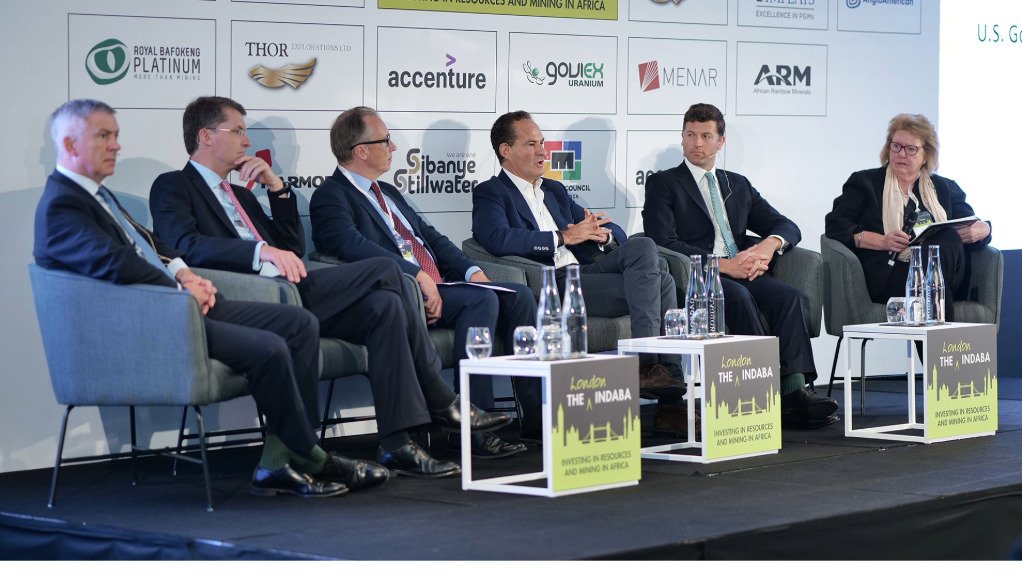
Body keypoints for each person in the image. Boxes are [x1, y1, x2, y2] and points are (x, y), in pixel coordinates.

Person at [34, 98, 393, 498]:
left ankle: (288, 458)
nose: (116, 145)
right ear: (68, 144)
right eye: (104, 136)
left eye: (115, 136)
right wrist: (181, 284)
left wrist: (184, 273)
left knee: (301, 321)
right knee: (279, 343)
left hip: (195, 300)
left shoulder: (99, 196)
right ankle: (307, 456)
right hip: (154, 320)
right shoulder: (66, 203)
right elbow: (114, 262)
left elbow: (154, 247)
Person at [149, 96, 510, 478]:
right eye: (237, 131)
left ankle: (397, 443)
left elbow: (292, 249)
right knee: (387, 272)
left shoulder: (239, 194)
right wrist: (258, 252)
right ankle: (440, 397)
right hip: (252, 295)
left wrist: (276, 189)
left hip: (295, 286)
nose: (246, 141)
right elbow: (183, 245)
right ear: (205, 136)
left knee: (385, 306)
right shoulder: (173, 186)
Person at [309, 106, 533, 457]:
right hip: (403, 290)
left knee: (518, 295)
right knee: (482, 301)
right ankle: (472, 428)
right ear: (360, 150)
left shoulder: (388, 192)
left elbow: (430, 237)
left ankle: (534, 416)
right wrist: (415, 276)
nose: (393, 147)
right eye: (385, 140)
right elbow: (350, 246)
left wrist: (472, 271)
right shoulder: (330, 196)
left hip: (438, 284)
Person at [472, 110, 690, 438]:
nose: (543, 152)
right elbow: (496, 238)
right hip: (555, 283)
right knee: (664, 282)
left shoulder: (555, 191)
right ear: (506, 150)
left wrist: (604, 236)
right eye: (532, 144)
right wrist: (563, 237)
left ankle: (651, 370)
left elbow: (602, 224)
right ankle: (666, 393)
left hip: (586, 271)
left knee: (643, 247)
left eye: (542, 143)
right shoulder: (492, 192)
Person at [643, 103, 837, 429]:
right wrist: (722, 266)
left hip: (745, 270)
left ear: (721, 142)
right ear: (682, 138)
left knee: (787, 297)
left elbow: (784, 225)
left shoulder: (737, 184)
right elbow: (663, 242)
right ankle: (756, 391)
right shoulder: (664, 184)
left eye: (706, 136)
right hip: (700, 277)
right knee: (739, 297)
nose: (697, 143)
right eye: (690, 135)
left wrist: (766, 246)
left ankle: (793, 394)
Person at [825, 113, 991, 318]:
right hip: (890, 273)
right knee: (933, 286)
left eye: (911, 149)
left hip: (943, 274)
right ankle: (939, 341)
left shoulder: (945, 188)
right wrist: (882, 241)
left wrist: (984, 229)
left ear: (926, 155)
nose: (901, 154)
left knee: (945, 239)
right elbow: (834, 224)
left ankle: (933, 317)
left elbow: (969, 226)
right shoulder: (865, 183)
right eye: (896, 146)